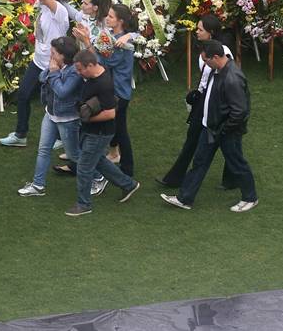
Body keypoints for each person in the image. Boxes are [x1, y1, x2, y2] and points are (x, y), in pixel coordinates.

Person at [161, 40, 258, 212]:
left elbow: (240, 111)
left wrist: (224, 130)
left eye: (206, 61)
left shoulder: (232, 78)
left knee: (237, 164)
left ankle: (250, 198)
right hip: (211, 128)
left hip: (225, 132)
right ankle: (184, 198)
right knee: (199, 162)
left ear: (215, 57)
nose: (205, 65)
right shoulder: (217, 70)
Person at [157, 14, 238, 189]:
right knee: (193, 138)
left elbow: (226, 76)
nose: (197, 32)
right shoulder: (206, 49)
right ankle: (175, 178)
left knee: (226, 143)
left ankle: (233, 178)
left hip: (216, 103)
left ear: (211, 32)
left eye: (201, 29)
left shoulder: (222, 51)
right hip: (203, 100)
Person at [0, 0, 70, 147]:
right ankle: (20, 134)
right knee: (23, 95)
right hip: (38, 62)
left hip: (55, 65)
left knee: (54, 102)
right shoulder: (43, 5)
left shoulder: (60, 11)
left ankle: (62, 137)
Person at [65, 49, 140, 217]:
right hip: (92, 131)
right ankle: (128, 184)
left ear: (91, 65)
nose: (78, 73)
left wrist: (86, 119)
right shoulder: (94, 74)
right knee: (98, 160)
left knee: (84, 168)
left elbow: (110, 113)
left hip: (99, 133)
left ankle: (84, 204)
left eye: (80, 69)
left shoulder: (104, 84)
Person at [17, 36, 83, 197]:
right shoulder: (56, 65)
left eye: (53, 53)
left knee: (74, 155)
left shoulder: (74, 71)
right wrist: (52, 71)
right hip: (51, 114)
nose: (50, 55)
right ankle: (38, 185)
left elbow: (62, 92)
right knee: (43, 149)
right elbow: (41, 77)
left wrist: (53, 73)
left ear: (63, 55)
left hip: (67, 119)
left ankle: (98, 176)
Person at [76, 4, 136, 175]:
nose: (107, 18)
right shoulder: (116, 37)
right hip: (117, 91)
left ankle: (125, 171)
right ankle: (121, 165)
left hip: (118, 93)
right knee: (118, 130)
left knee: (119, 131)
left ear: (121, 21)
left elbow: (103, 63)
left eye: (110, 17)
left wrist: (87, 42)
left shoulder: (121, 42)